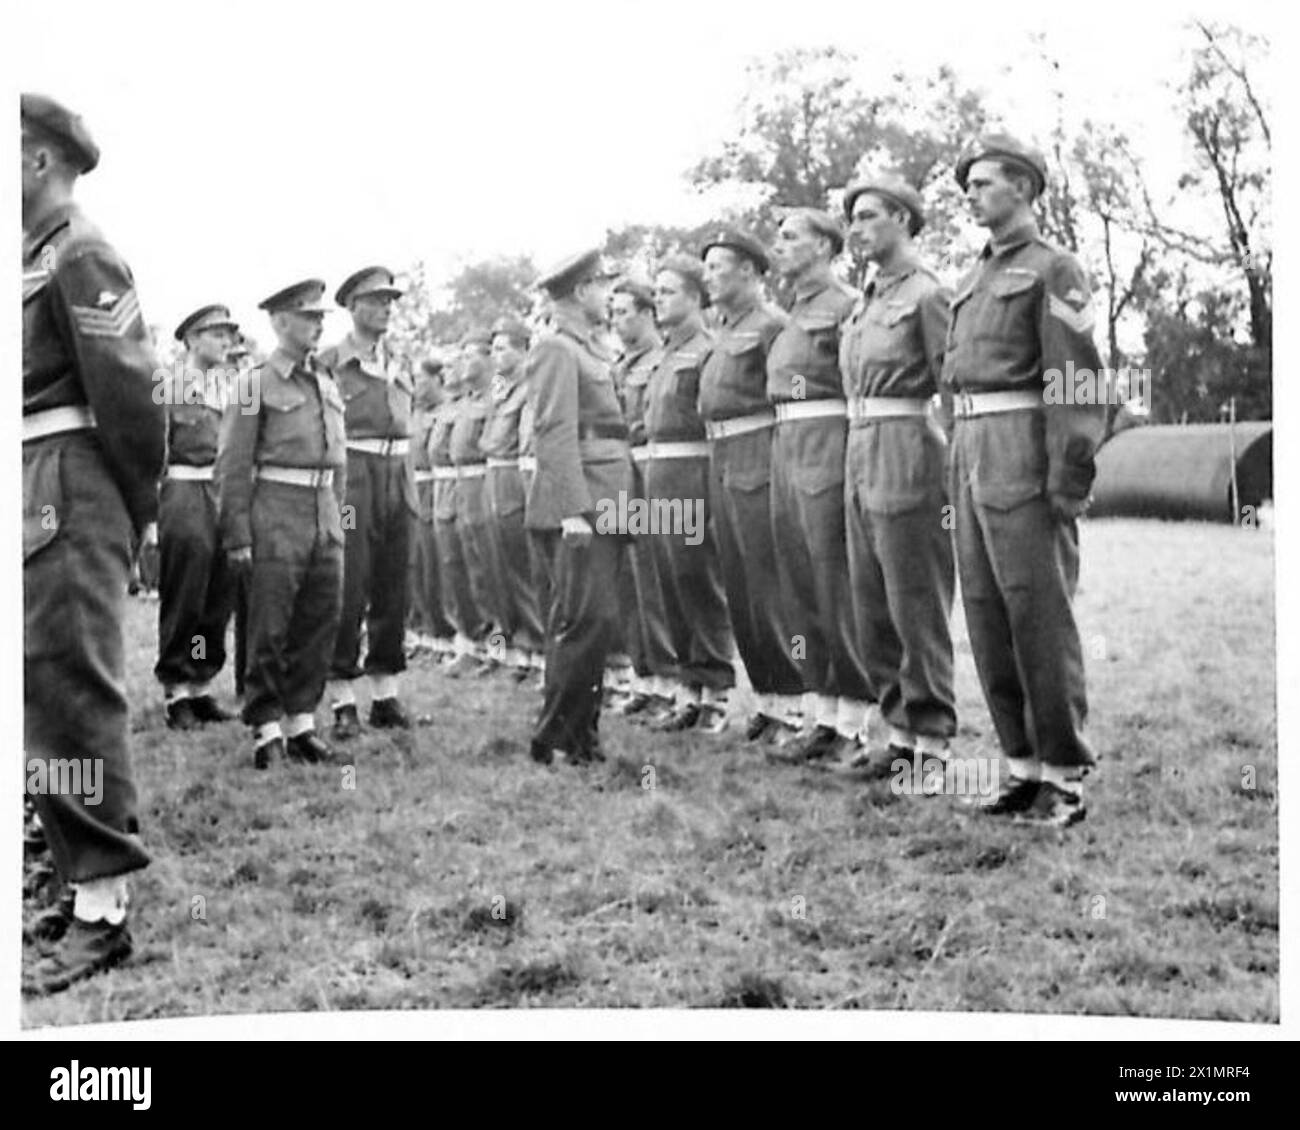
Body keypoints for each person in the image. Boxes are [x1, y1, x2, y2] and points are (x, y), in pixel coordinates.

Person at [22, 93, 165, 993]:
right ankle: (74, 873)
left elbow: (132, 399)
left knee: (75, 693)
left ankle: (103, 911)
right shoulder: (31, 256)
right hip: (36, 480)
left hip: (72, 482)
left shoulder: (81, 254)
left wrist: (131, 509)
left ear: (38, 161)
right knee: (38, 694)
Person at [945, 134, 1107, 827]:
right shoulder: (973, 278)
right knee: (985, 613)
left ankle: (1064, 774)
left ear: (1024, 188)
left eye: (984, 183)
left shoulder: (1054, 269)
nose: (972, 195)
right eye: (969, 185)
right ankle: (1020, 767)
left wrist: (1068, 475)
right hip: (972, 447)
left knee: (1038, 612)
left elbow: (1074, 377)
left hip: (1022, 448)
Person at [838, 176, 956, 778]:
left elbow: (952, 388)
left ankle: (930, 743)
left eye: (868, 216)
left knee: (915, 602)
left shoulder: (928, 295)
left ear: (905, 221)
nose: (855, 229)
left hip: (908, 452)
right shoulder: (866, 301)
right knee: (871, 604)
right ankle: (896, 733)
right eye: (852, 219)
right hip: (859, 454)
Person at [216, 279, 347, 770]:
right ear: (279, 322)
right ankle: (265, 726)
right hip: (275, 509)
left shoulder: (325, 381)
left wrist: (340, 520)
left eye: (320, 317)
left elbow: (340, 463)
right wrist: (237, 535)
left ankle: (301, 722)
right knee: (270, 625)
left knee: (319, 620)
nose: (317, 325)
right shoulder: (253, 384)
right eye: (307, 316)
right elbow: (231, 463)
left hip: (323, 510)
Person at [766, 208, 872, 763]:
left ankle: (854, 722)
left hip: (827, 442)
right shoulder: (793, 313)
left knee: (835, 583)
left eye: (791, 238)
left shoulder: (846, 307)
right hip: (786, 447)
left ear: (826, 247)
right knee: (801, 586)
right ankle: (822, 713)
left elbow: (853, 385)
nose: (778, 247)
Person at [525, 247, 633, 766]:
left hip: (608, 494)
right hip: (585, 500)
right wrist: (572, 509)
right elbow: (554, 431)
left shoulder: (591, 348)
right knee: (582, 619)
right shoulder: (556, 349)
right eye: (602, 286)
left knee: (597, 621)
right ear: (580, 291)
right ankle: (556, 738)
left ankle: (580, 736)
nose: (609, 296)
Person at [698, 229, 806, 743]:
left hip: (758, 457)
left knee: (769, 585)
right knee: (739, 588)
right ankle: (768, 699)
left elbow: (784, 399)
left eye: (719, 266)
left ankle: (796, 703)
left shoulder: (772, 326)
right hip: (721, 459)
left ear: (749, 271)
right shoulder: (720, 330)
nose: (709, 276)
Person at [320, 266, 416, 738]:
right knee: (350, 585)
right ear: (353, 305)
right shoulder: (331, 360)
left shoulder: (399, 358)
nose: (386, 308)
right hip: (354, 473)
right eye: (377, 300)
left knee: (393, 585)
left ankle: (385, 694)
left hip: (397, 472)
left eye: (391, 300)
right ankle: (341, 697)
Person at [644, 255, 736, 731]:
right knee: (668, 584)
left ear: (697, 298)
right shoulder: (663, 354)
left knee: (698, 581)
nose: (659, 300)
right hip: (658, 475)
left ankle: (715, 691)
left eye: (668, 291)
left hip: (691, 471)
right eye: (656, 292)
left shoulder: (708, 350)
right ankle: (688, 686)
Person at [154, 304, 241, 730]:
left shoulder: (230, 387)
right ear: (191, 339)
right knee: (185, 589)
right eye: (216, 333)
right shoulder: (167, 385)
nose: (226, 341)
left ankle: (202, 685)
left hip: (221, 490)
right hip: (184, 488)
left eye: (228, 334)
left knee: (217, 593)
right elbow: (152, 449)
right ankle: (176, 691)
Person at [608, 277, 682, 723]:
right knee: (629, 581)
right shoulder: (619, 366)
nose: (617, 322)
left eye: (624, 313)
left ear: (648, 312)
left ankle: (675, 683)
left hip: (654, 466)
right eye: (612, 314)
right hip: (622, 469)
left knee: (658, 578)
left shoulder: (662, 359)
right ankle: (646, 679)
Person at [481, 317, 546, 682]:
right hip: (497, 478)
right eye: (493, 349)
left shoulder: (529, 387)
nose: (496, 356)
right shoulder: (501, 390)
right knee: (501, 574)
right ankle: (517, 650)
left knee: (528, 572)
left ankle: (539, 650)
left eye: (503, 348)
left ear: (523, 349)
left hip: (516, 478)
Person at [447, 329, 501, 674]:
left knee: (493, 573)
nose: (463, 363)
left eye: (470, 355)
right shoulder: (465, 402)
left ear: (488, 359)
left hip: (485, 481)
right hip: (461, 484)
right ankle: (476, 644)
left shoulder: (495, 398)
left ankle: (499, 648)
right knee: (466, 571)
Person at [409, 356, 457, 659]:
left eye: (421, 380)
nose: (416, 387)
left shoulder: (451, 410)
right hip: (416, 489)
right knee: (418, 567)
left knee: (442, 569)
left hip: (440, 487)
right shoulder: (414, 413)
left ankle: (449, 637)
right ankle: (427, 634)